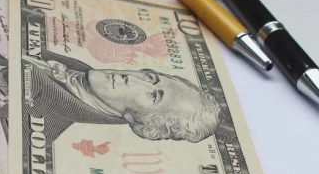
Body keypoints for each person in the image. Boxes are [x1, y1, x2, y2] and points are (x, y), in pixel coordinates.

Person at [24, 53, 222, 143]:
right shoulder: (63, 62)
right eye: (149, 77)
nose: (133, 79)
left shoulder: (37, 125)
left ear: (139, 119)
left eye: (152, 96)